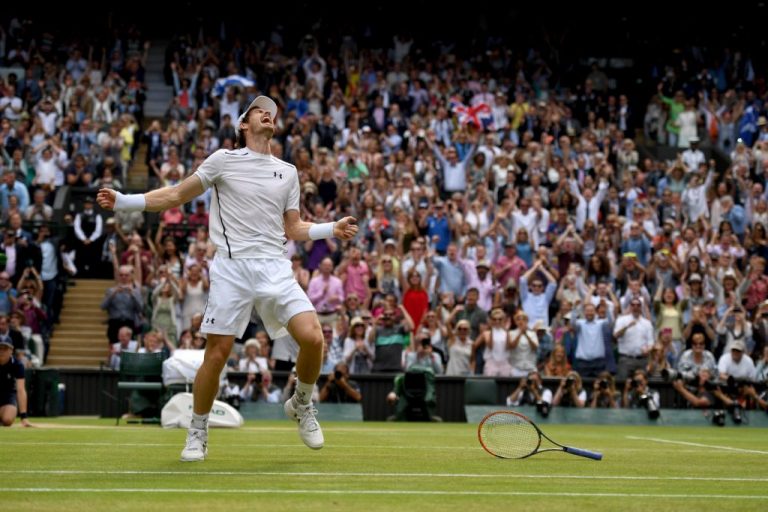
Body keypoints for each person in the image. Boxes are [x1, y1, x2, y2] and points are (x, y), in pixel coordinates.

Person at [97, 95, 358, 462]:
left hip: (274, 267)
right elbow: (175, 194)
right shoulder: (222, 160)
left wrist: (332, 227)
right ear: (243, 124)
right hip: (232, 269)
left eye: (272, 111)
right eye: (259, 110)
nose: (268, 113)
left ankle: (301, 403)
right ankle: (197, 431)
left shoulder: (288, 172)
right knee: (216, 355)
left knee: (314, 338)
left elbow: (294, 227)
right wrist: (126, 201)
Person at [0, 337, 30, 426]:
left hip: (8, 396)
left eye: (5, 348)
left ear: (11, 350)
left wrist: (24, 417)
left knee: (8, 420)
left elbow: (21, 390)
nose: (1, 351)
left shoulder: (17, 365)